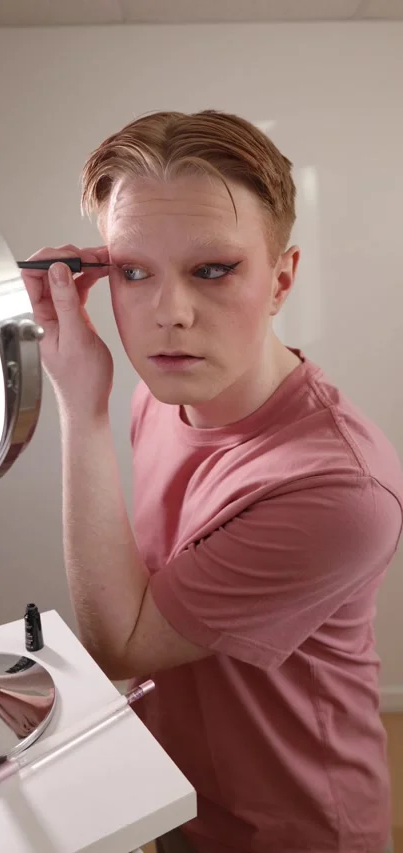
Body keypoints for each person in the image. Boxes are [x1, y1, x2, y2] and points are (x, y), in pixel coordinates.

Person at [22, 110, 402, 853]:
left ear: (282, 278)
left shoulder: (338, 489)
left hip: (296, 829)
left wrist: (80, 406)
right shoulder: (163, 392)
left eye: (212, 269)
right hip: (179, 799)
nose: (169, 314)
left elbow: (123, 644)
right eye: (134, 271)